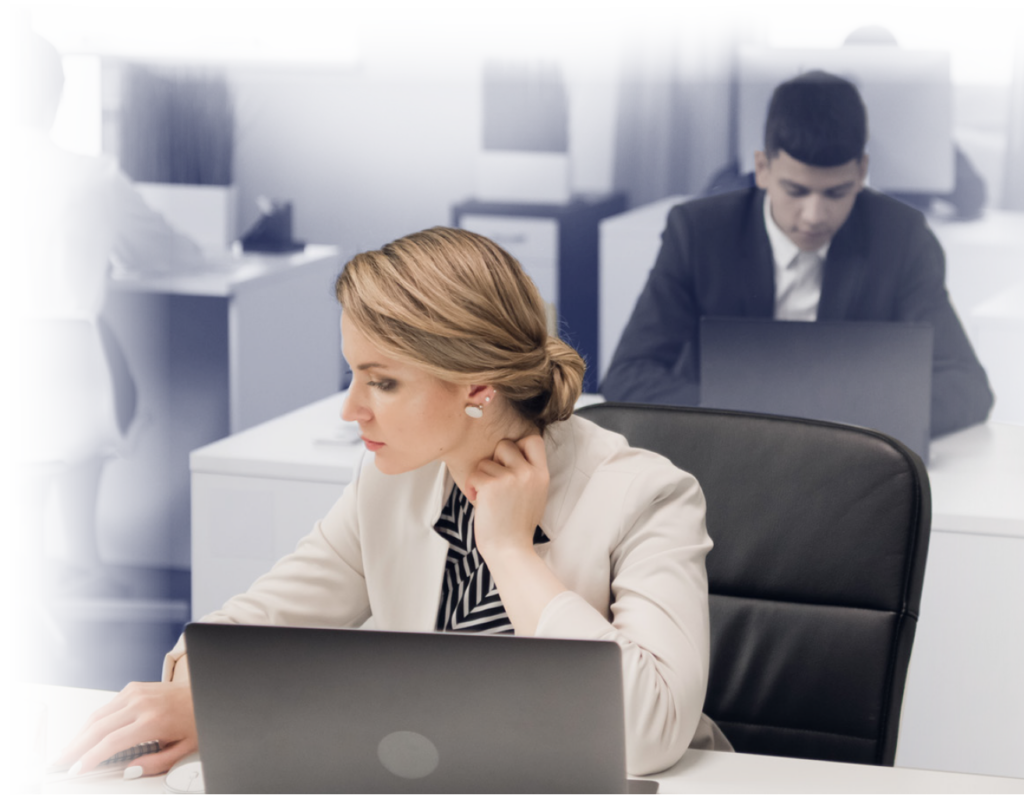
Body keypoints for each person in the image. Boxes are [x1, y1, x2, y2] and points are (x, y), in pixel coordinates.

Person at [53, 226, 732, 780]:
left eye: (381, 381)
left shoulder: (647, 495)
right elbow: (246, 628)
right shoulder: (393, 480)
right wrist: (199, 694)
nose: (351, 409)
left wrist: (507, 549)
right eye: (353, 374)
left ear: (477, 390)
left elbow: (647, 733)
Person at [603, 69, 993, 438]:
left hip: (853, 461)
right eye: (796, 191)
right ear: (762, 169)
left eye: (837, 193)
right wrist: (748, 415)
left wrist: (852, 420)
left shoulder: (901, 237)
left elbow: (965, 384)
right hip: (728, 451)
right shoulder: (698, 233)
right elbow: (630, 373)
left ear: (861, 172)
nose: (814, 216)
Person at [9, 26, 207, 595]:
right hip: (70, 396)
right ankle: (85, 562)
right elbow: (172, 257)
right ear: (57, 96)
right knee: (76, 392)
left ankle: (81, 563)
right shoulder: (89, 178)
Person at [705, 24, 988, 220]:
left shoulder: (922, 134)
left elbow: (973, 195)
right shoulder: (808, 127)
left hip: (886, 239)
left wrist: (922, 154)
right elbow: (717, 190)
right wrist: (778, 164)